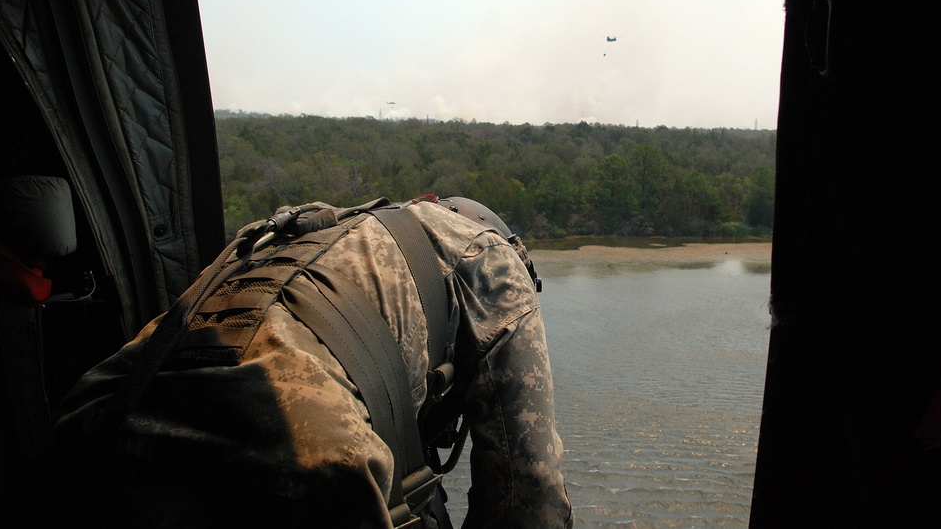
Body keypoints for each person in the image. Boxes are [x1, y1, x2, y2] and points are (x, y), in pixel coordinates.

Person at [40, 196, 573, 528]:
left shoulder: (310, 230)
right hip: (300, 451)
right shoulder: (489, 256)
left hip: (97, 419)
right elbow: (528, 493)